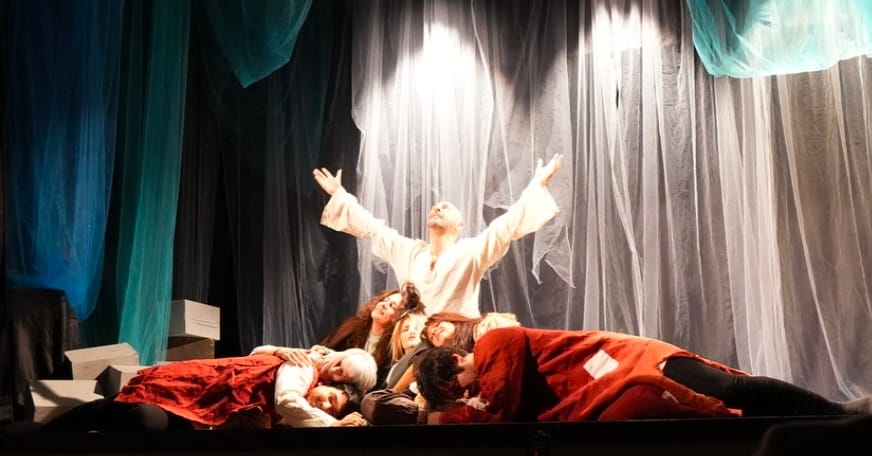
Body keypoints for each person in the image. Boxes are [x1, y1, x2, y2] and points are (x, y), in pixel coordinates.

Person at [416, 326, 872, 424]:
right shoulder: (487, 373)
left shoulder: (492, 344)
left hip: (636, 362)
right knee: (731, 408)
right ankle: (827, 422)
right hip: (622, 378)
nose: (467, 394)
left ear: (455, 362)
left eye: (457, 388)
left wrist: (438, 419)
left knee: (732, 388)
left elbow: (504, 406)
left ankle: (836, 412)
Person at [313, 153, 564, 318]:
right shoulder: (409, 252)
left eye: (446, 208)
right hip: (413, 339)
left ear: (460, 224)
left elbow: (505, 227)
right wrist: (339, 195)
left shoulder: (470, 251)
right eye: (435, 207)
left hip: (453, 337)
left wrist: (537, 186)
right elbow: (372, 227)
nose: (437, 208)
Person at [40, 348, 376, 432]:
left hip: (202, 400)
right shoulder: (304, 367)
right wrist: (334, 425)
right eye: (337, 366)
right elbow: (286, 400)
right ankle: (40, 439)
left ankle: (44, 438)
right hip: (199, 388)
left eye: (340, 378)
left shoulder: (307, 376)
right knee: (118, 409)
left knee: (128, 414)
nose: (332, 374)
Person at [319, 283, 423, 387]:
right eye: (385, 300)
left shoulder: (393, 350)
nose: (383, 304)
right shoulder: (353, 325)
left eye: (392, 305)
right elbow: (325, 349)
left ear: (399, 318)